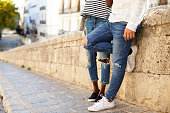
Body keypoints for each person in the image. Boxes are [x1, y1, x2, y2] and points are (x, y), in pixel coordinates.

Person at [82, 0, 149, 111]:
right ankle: (127, 52)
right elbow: (109, 3)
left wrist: (132, 24)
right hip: (111, 21)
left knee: (118, 63)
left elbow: (141, 2)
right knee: (87, 42)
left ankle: (109, 100)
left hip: (125, 23)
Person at [81, 0, 112, 102]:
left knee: (104, 59)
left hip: (104, 18)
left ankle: (102, 91)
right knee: (90, 58)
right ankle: (95, 89)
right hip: (89, 18)